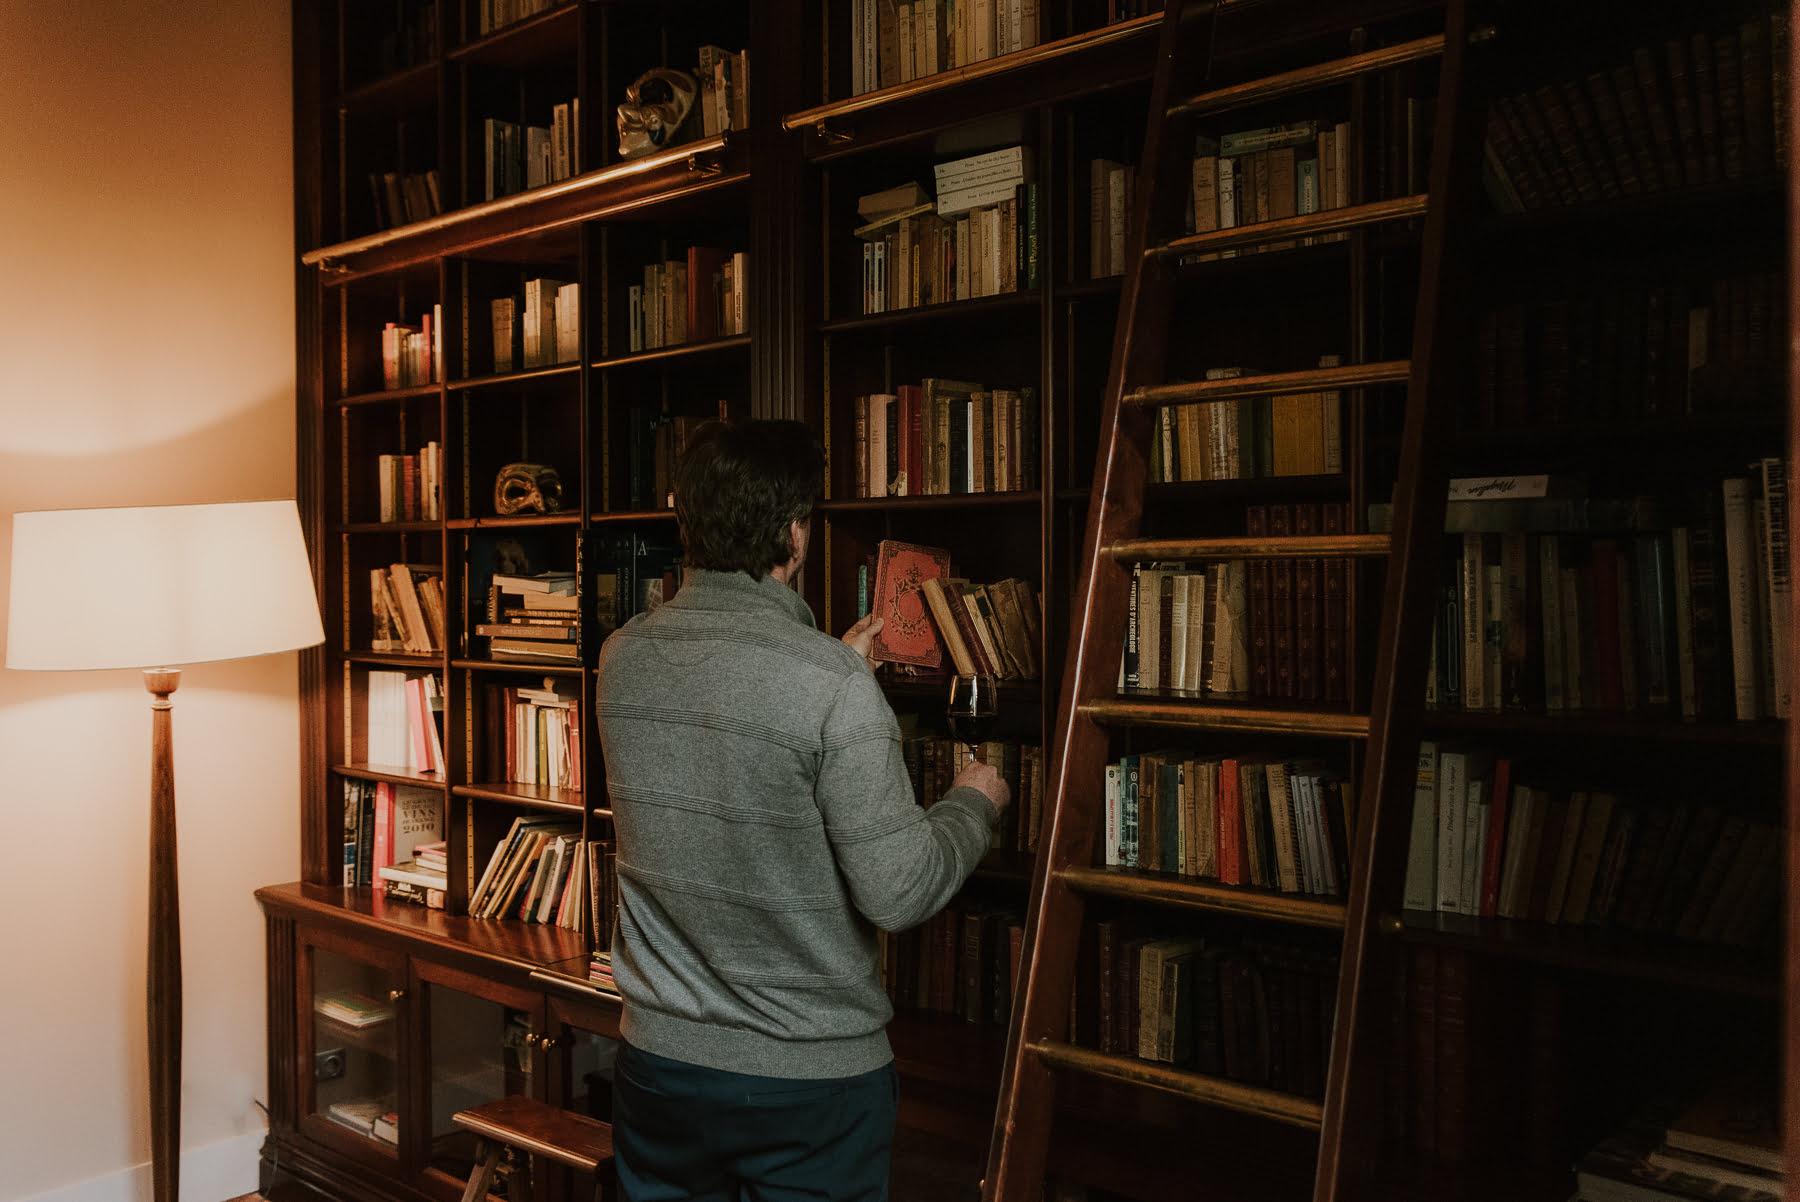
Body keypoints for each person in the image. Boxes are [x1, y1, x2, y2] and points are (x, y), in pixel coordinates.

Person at [595, 418, 1011, 1202]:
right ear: (796, 532)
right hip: (808, 1085)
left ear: (685, 520)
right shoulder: (828, 684)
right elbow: (899, 889)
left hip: (660, 1069)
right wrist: (974, 803)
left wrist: (830, 671)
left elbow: (724, 745)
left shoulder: (623, 656)